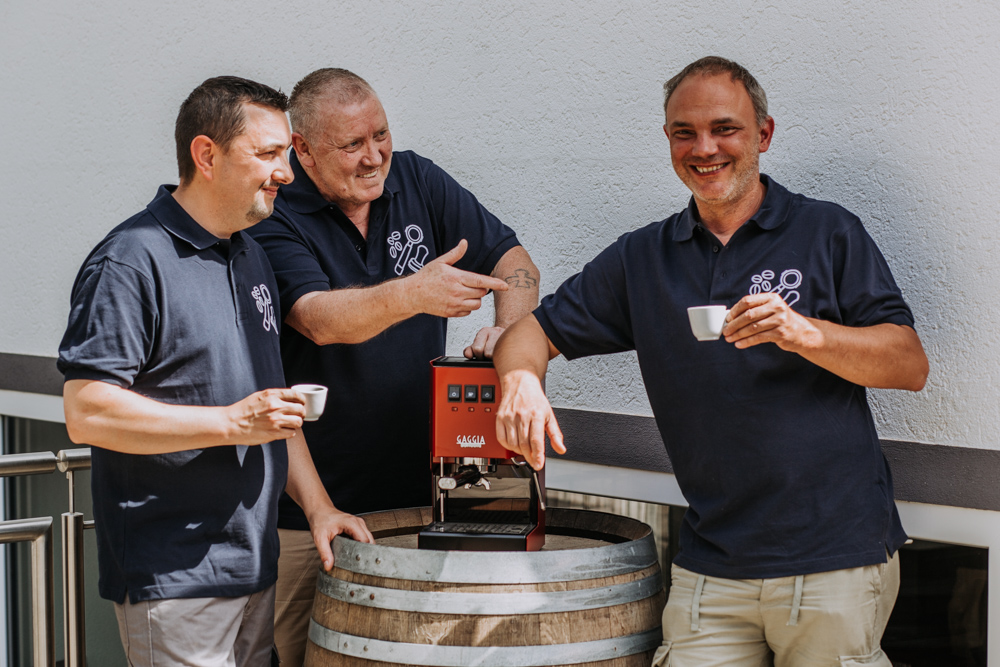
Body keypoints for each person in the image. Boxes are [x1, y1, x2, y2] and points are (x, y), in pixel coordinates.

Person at [492, 56, 929, 667]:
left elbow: (909, 365)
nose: (704, 148)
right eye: (685, 132)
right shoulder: (643, 258)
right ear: (668, 139)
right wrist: (520, 382)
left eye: (725, 128)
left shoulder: (827, 231)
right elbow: (529, 333)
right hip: (712, 561)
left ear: (763, 135)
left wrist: (806, 333)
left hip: (833, 556)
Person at [57, 76, 372, 667]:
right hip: (175, 577)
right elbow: (87, 411)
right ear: (206, 155)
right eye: (268, 153)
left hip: (254, 565)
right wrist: (231, 423)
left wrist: (319, 508)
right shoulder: (130, 261)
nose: (286, 172)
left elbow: (270, 408)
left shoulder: (250, 254)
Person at [246, 67, 540, 665]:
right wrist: (415, 293)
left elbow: (516, 264)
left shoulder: (416, 178)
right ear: (303, 149)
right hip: (308, 517)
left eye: (380, 134)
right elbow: (318, 318)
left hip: (425, 508)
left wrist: (509, 335)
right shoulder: (274, 210)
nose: (373, 156)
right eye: (351, 144)